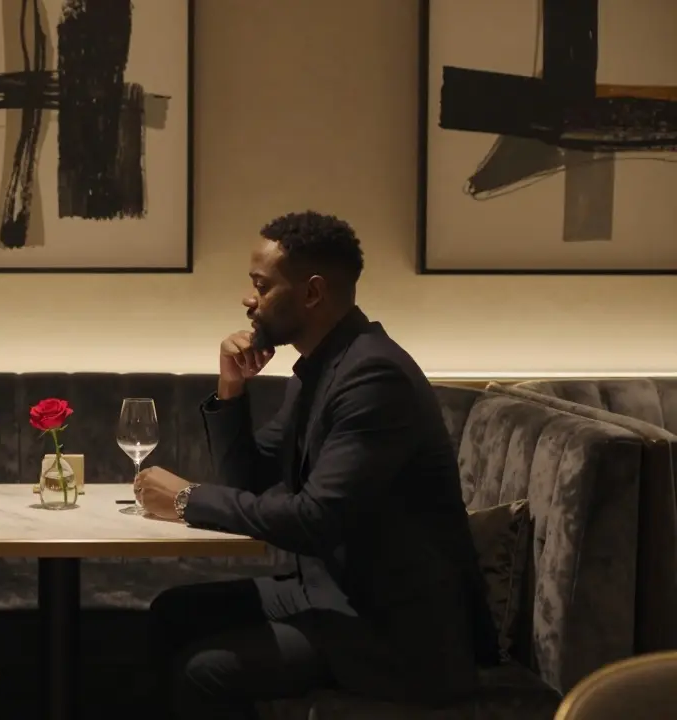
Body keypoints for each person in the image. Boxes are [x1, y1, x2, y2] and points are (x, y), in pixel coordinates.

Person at [134, 211, 497, 719]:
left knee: (206, 670)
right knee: (173, 614)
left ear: (312, 293)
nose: (249, 300)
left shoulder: (373, 377)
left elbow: (314, 519)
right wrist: (231, 390)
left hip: (393, 633)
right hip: (332, 592)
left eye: (261, 286)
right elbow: (252, 479)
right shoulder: (321, 367)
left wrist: (187, 498)